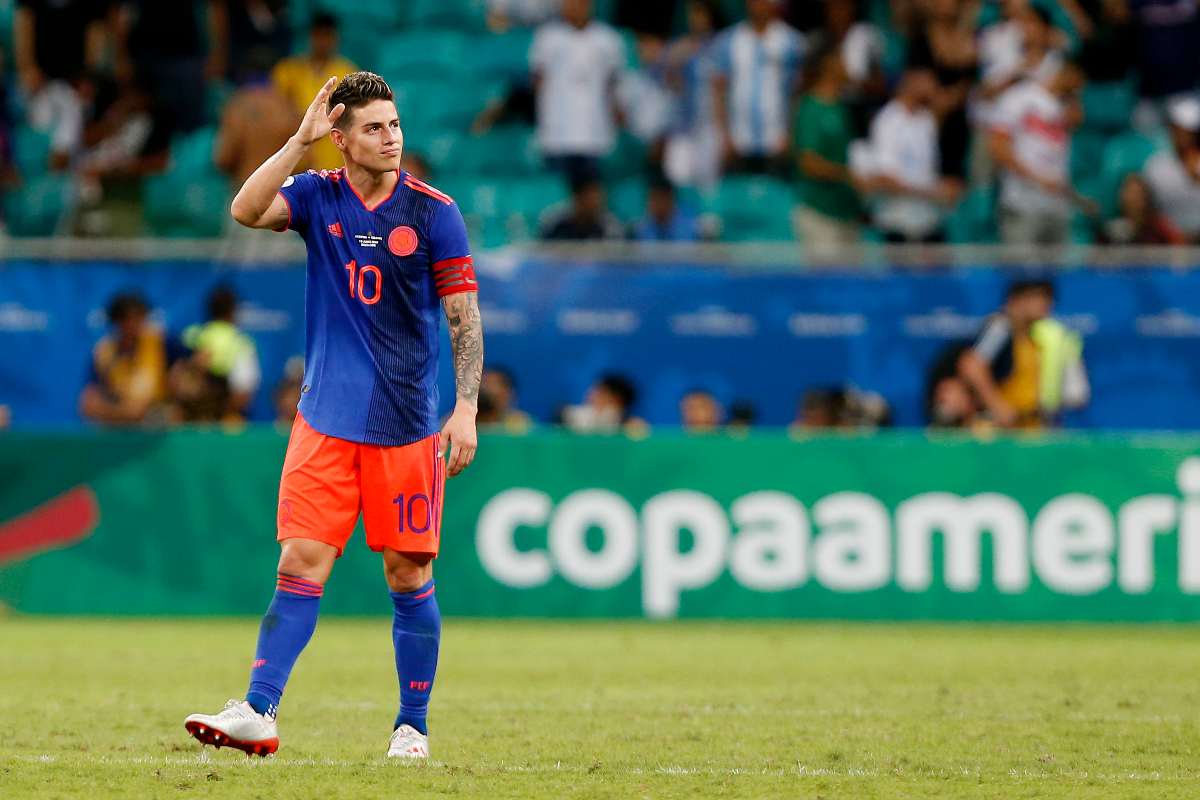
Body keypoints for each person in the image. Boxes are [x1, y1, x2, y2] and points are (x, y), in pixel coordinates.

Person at [182, 72, 484, 762]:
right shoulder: (317, 195)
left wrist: (464, 407)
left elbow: (464, 320)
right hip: (324, 420)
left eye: (396, 124)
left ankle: (412, 726)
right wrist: (297, 141)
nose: (391, 138)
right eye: (374, 127)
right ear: (342, 140)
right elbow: (245, 209)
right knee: (300, 561)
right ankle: (258, 710)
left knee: (408, 575)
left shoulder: (434, 213)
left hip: (407, 426)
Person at [957, 279, 1088, 429]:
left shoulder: (1039, 334)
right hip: (1001, 431)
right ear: (1017, 300)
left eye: (1048, 298)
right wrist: (998, 406)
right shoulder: (1000, 328)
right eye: (1039, 297)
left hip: (1031, 427)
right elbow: (972, 366)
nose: (1046, 304)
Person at [990, 62, 1091, 246]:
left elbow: (1077, 124)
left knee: (1054, 272)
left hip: (1056, 206)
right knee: (1022, 271)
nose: (1081, 86)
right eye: (1080, 80)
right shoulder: (1019, 96)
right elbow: (998, 148)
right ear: (1068, 72)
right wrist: (1038, 179)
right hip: (1022, 203)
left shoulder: (1065, 104)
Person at [860, 67, 960, 243]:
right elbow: (886, 179)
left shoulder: (926, 120)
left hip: (929, 221)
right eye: (927, 80)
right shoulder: (888, 120)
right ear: (911, 80)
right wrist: (932, 192)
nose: (933, 85)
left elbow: (926, 172)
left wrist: (942, 188)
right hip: (899, 222)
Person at [530, 0, 626, 183]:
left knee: (592, 188)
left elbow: (614, 85)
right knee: (557, 190)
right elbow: (537, 81)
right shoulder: (547, 37)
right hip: (557, 134)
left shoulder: (608, 39)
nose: (572, 6)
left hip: (596, 133)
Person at [711, 0, 805, 175]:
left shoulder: (792, 42)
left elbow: (797, 94)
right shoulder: (728, 41)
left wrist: (791, 135)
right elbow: (719, 91)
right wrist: (724, 137)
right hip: (739, 141)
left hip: (776, 141)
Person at [14, 0, 111, 169]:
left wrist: (88, 75)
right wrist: (27, 66)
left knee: (69, 135)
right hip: (40, 77)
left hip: (74, 78)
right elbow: (24, 20)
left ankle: (65, 178)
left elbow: (95, 29)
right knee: (39, 129)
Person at [792, 43, 862, 247]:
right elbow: (808, 162)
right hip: (820, 215)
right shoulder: (811, 108)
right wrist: (847, 175)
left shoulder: (841, 107)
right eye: (842, 58)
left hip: (845, 212)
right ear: (829, 64)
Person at [271, 13, 358, 172]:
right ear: (310, 37)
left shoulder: (347, 72)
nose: (323, 42)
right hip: (297, 161)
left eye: (328, 36)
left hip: (333, 159)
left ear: (336, 38)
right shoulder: (288, 71)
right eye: (319, 35)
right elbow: (276, 114)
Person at [79, 292, 169, 426]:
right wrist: (125, 412)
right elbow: (89, 402)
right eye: (127, 320)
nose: (133, 326)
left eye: (139, 318)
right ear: (116, 322)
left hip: (155, 416)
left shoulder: (162, 344)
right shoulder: (104, 351)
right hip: (118, 416)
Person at [174, 285, 261, 421]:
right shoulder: (240, 343)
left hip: (193, 421)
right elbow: (243, 394)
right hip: (220, 425)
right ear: (233, 311)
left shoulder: (193, 335)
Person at [215, 54, 299, 186]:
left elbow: (223, 158)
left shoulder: (237, 107)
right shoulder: (287, 107)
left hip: (245, 193)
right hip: (281, 196)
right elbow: (305, 161)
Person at [1142, 96, 1200, 243]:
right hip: (1165, 243)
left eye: (1188, 130)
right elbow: (1148, 210)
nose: (1183, 134)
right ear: (1171, 129)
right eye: (1178, 128)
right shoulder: (1155, 166)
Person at [1101, 173, 1185, 244]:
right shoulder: (1112, 228)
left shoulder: (1160, 227)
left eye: (1137, 193)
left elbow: (1179, 246)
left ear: (1146, 196)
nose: (1133, 198)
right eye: (1129, 193)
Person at [541, 176, 625, 240]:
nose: (596, 201)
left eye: (598, 196)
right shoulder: (554, 222)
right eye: (590, 196)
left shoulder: (610, 225)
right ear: (577, 196)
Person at [630, 177, 704, 241]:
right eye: (652, 200)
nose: (654, 205)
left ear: (670, 199)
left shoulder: (693, 229)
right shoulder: (640, 230)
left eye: (658, 199)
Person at [477, 367, 533, 433]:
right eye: (483, 382)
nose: (484, 388)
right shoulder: (466, 424)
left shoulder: (521, 426)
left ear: (507, 393)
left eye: (491, 383)